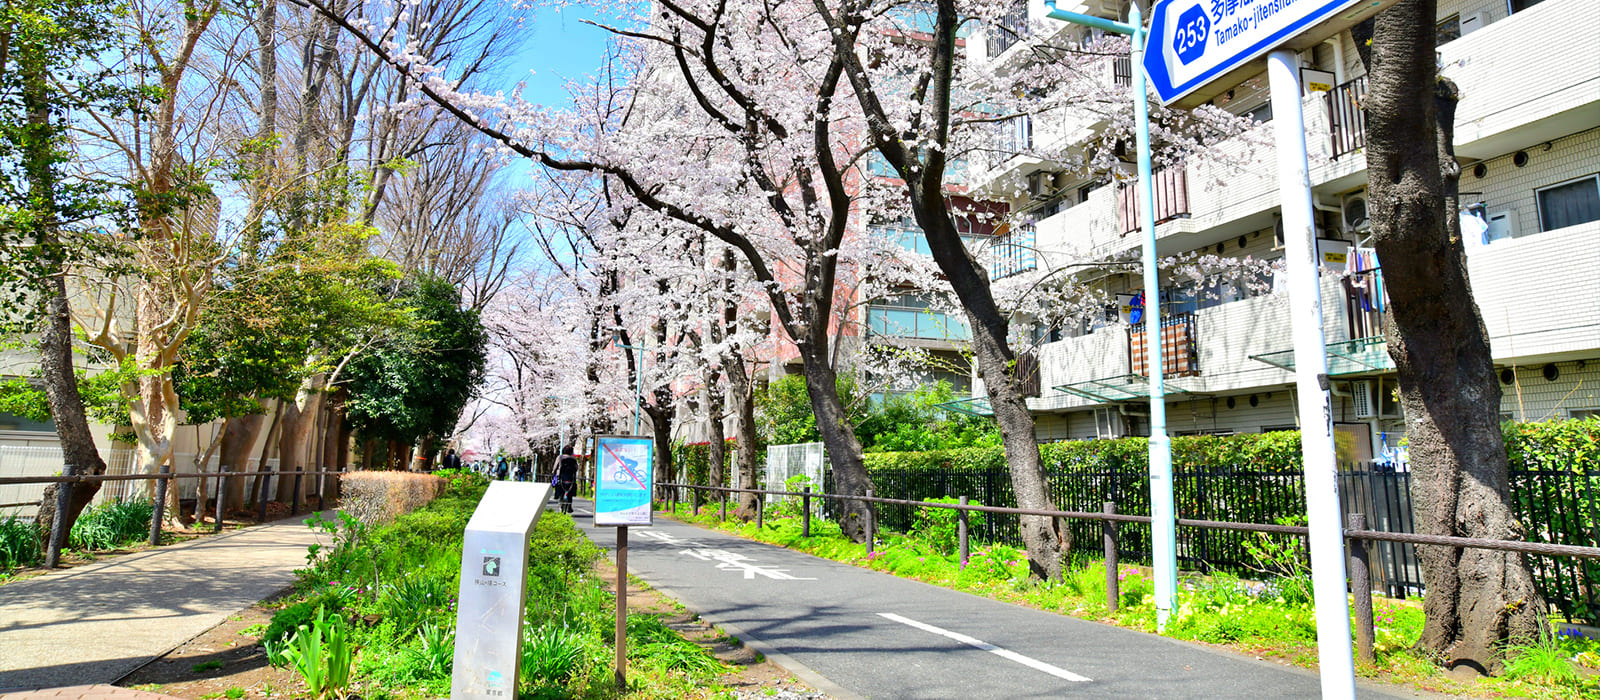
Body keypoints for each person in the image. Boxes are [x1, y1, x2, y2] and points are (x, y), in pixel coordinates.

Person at [556, 445, 579, 514]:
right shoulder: (573, 459)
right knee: (570, 491)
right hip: (571, 477)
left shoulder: (560, 457)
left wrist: (553, 472)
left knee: (560, 487)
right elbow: (576, 468)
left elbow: (555, 466)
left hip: (562, 476)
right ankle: (569, 506)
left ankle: (559, 497)